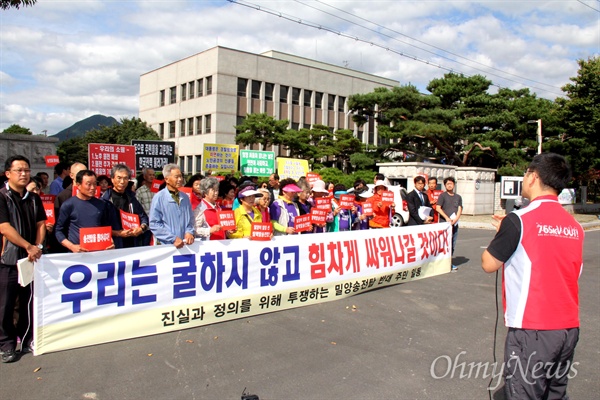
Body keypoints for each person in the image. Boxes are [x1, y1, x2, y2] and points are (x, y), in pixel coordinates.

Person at [481, 153, 584, 400]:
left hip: (533, 329)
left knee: (523, 393)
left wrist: (502, 233)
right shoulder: (575, 226)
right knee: (555, 394)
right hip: (568, 328)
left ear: (534, 177)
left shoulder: (518, 220)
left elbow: (489, 264)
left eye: (526, 173)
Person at [0, 156, 46, 363]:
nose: (24, 174)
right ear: (8, 173)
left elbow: (41, 224)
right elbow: (4, 228)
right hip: (8, 259)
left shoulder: (34, 198)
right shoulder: (2, 196)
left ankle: (27, 339)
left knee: (28, 301)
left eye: (26, 170)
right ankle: (7, 344)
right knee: (6, 304)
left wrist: (37, 246)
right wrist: (27, 246)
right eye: (19, 170)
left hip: (30, 259)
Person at [55, 170, 120, 253]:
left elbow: (105, 228)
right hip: (77, 254)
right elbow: (58, 231)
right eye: (88, 184)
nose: (93, 188)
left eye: (95, 184)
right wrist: (72, 246)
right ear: (78, 185)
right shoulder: (69, 205)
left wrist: (110, 242)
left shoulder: (101, 204)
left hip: (99, 253)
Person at [101, 164, 150, 248]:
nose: (122, 182)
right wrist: (117, 233)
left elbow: (143, 217)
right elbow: (100, 226)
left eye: (125, 178)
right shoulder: (105, 200)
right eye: (119, 178)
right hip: (113, 244)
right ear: (112, 179)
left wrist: (141, 228)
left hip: (132, 243)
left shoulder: (131, 197)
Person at [149, 164, 194, 248]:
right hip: (167, 246)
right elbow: (154, 224)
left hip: (185, 244)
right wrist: (172, 238)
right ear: (167, 179)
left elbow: (190, 219)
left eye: (181, 176)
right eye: (176, 177)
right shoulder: (159, 198)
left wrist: (189, 232)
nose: (180, 179)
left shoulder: (185, 197)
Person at [436, 177, 462, 271]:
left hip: (454, 224)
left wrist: (455, 219)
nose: (449, 185)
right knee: (444, 244)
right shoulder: (442, 196)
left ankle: (449, 262)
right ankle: (442, 263)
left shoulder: (458, 197)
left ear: (454, 185)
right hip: (445, 225)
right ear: (445, 185)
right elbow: (438, 208)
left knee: (452, 244)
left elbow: (459, 209)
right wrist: (447, 218)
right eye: (447, 184)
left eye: (451, 183)